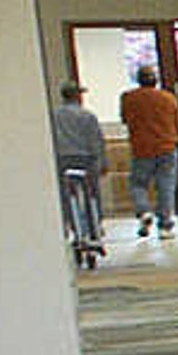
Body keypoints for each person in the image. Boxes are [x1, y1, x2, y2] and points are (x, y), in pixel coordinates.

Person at [117, 66, 178, 236]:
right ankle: (165, 225)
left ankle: (144, 211)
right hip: (167, 147)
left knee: (138, 183)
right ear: (156, 80)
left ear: (139, 79)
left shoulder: (128, 98)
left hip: (141, 148)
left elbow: (125, 119)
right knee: (166, 186)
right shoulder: (169, 98)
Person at [52, 82, 106, 267]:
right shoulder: (87, 115)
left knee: (68, 196)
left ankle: (75, 228)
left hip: (62, 159)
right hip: (85, 159)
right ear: (77, 96)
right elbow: (96, 141)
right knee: (92, 195)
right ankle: (93, 229)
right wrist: (102, 162)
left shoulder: (55, 116)